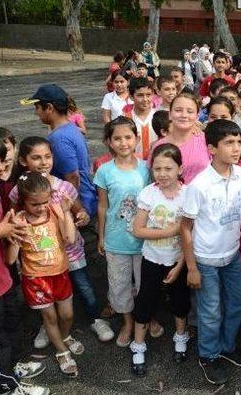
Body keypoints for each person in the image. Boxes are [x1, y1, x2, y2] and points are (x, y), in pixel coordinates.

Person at [10, 136, 113, 347]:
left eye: (47, 156)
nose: (43, 162)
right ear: (23, 161)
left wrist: (82, 214)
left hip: (71, 250)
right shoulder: (17, 191)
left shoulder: (63, 187)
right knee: (45, 296)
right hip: (39, 258)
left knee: (84, 287)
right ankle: (46, 326)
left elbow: (79, 208)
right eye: (36, 158)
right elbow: (15, 219)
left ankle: (96, 319)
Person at [180, 119, 241, 385]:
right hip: (205, 260)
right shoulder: (199, 184)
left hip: (233, 254)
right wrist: (191, 267)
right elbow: (186, 228)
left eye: (238, 142)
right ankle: (209, 355)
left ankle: (227, 346)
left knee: (238, 301)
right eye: (229, 143)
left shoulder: (240, 176)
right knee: (211, 309)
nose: (236, 148)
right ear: (212, 148)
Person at [0, 130, 48, 394]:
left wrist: (11, 229)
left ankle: (12, 368)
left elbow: (2, 229)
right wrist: (0, 232)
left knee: (10, 327)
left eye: (1, 159)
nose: (0, 166)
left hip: (2, 277)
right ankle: (6, 386)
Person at [6, 171, 83, 378]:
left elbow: (69, 239)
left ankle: (65, 337)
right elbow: (11, 260)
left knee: (67, 314)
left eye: (45, 201)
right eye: (35, 204)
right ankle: (62, 351)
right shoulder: (20, 221)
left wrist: (66, 212)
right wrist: (14, 236)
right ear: (23, 202)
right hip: (35, 278)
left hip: (60, 272)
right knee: (49, 317)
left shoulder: (55, 209)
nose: (41, 207)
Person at [129, 144, 190, 376]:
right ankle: (138, 345)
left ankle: (181, 337)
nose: (162, 173)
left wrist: (181, 264)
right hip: (152, 259)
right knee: (145, 300)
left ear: (180, 168)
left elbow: (189, 235)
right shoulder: (148, 193)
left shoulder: (188, 194)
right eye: (157, 168)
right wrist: (170, 231)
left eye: (168, 168)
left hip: (178, 260)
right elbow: (138, 230)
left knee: (180, 300)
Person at [94, 117, 151, 348]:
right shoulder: (104, 171)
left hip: (144, 240)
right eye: (117, 138)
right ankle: (128, 322)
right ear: (109, 141)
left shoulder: (147, 168)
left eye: (128, 137)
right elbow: (103, 206)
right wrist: (101, 235)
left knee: (146, 284)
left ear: (137, 139)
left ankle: (148, 318)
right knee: (120, 285)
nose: (123, 142)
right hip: (116, 240)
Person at [24, 84, 97, 217]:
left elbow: (72, 177)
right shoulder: (70, 128)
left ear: (50, 108)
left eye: (37, 107)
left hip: (79, 205)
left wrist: (77, 211)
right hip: (86, 198)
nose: (36, 112)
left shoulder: (59, 138)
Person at [151, 93, 209, 184]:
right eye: (178, 110)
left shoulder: (206, 141)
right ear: (170, 114)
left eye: (190, 111)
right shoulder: (159, 146)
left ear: (197, 116)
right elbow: (154, 180)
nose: (184, 115)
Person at [122, 77, 157, 160]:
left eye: (148, 95)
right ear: (131, 96)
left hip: (156, 165)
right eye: (140, 95)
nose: (145, 99)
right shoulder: (125, 119)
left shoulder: (158, 115)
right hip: (133, 165)